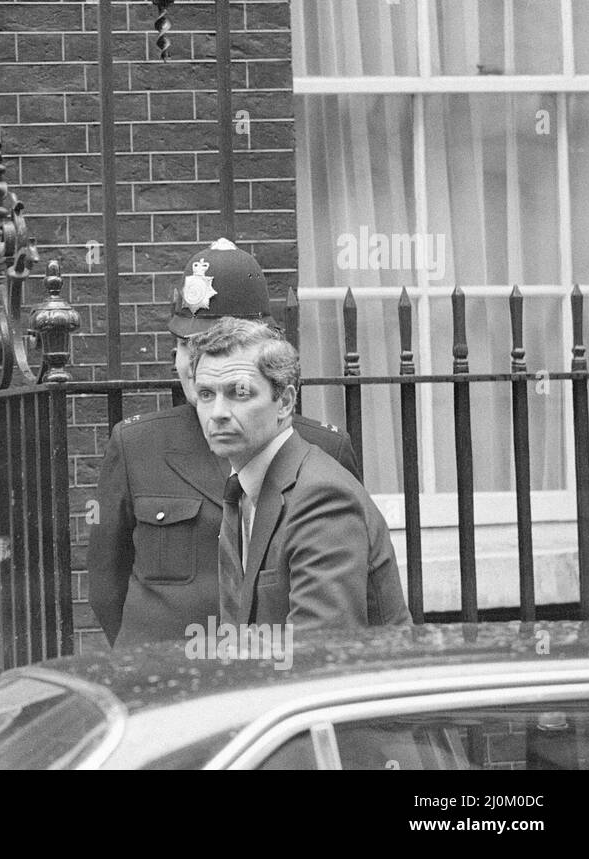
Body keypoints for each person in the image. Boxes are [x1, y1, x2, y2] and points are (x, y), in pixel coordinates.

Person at [88, 238, 361, 648]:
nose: (194, 364)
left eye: (214, 346)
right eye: (185, 345)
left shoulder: (323, 451)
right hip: (162, 684)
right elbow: (106, 588)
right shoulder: (135, 445)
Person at [188, 318, 411, 629]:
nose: (218, 413)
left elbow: (318, 653)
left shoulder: (321, 497)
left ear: (285, 402)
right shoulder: (242, 487)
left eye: (239, 393)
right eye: (206, 395)